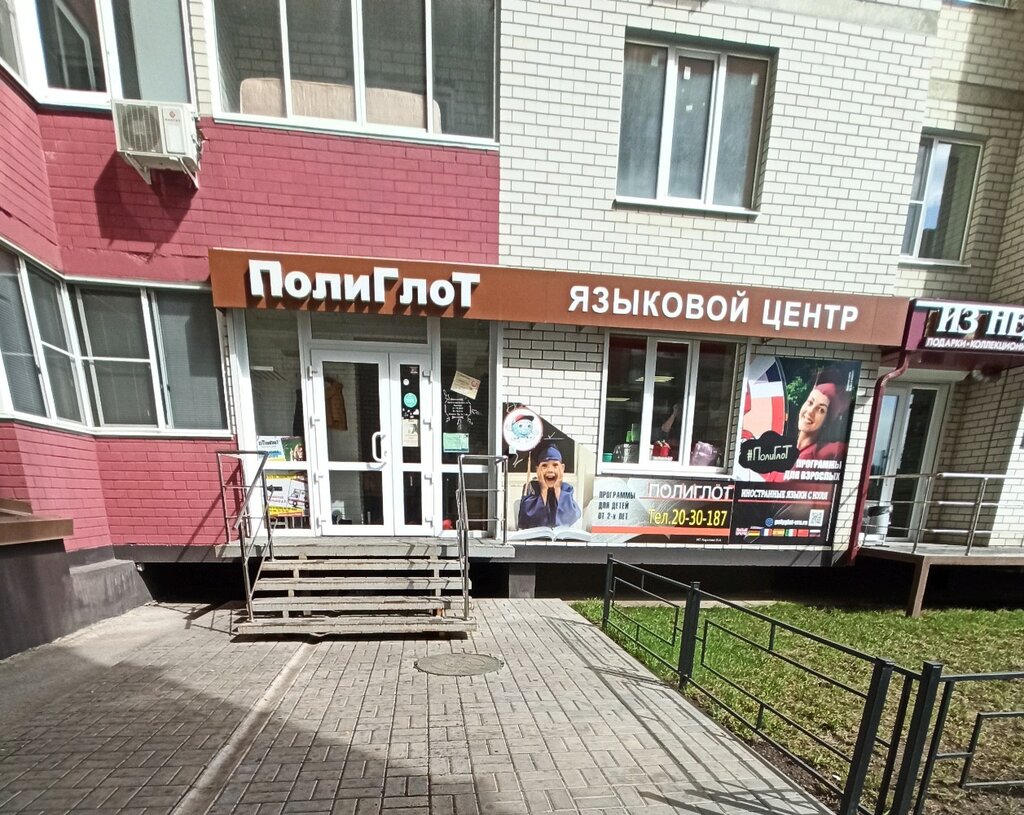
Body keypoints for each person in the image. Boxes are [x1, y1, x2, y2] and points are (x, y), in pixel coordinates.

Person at [517, 445, 582, 529]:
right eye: (544, 465)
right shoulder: (531, 488)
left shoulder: (566, 488)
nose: (550, 470)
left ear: (562, 468)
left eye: (555, 465)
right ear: (537, 470)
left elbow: (569, 519)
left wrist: (557, 488)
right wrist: (544, 490)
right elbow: (527, 520)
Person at [793, 382, 850, 462]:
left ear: (826, 421)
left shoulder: (823, 452)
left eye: (821, 410)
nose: (810, 411)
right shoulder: (785, 447)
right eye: (810, 402)